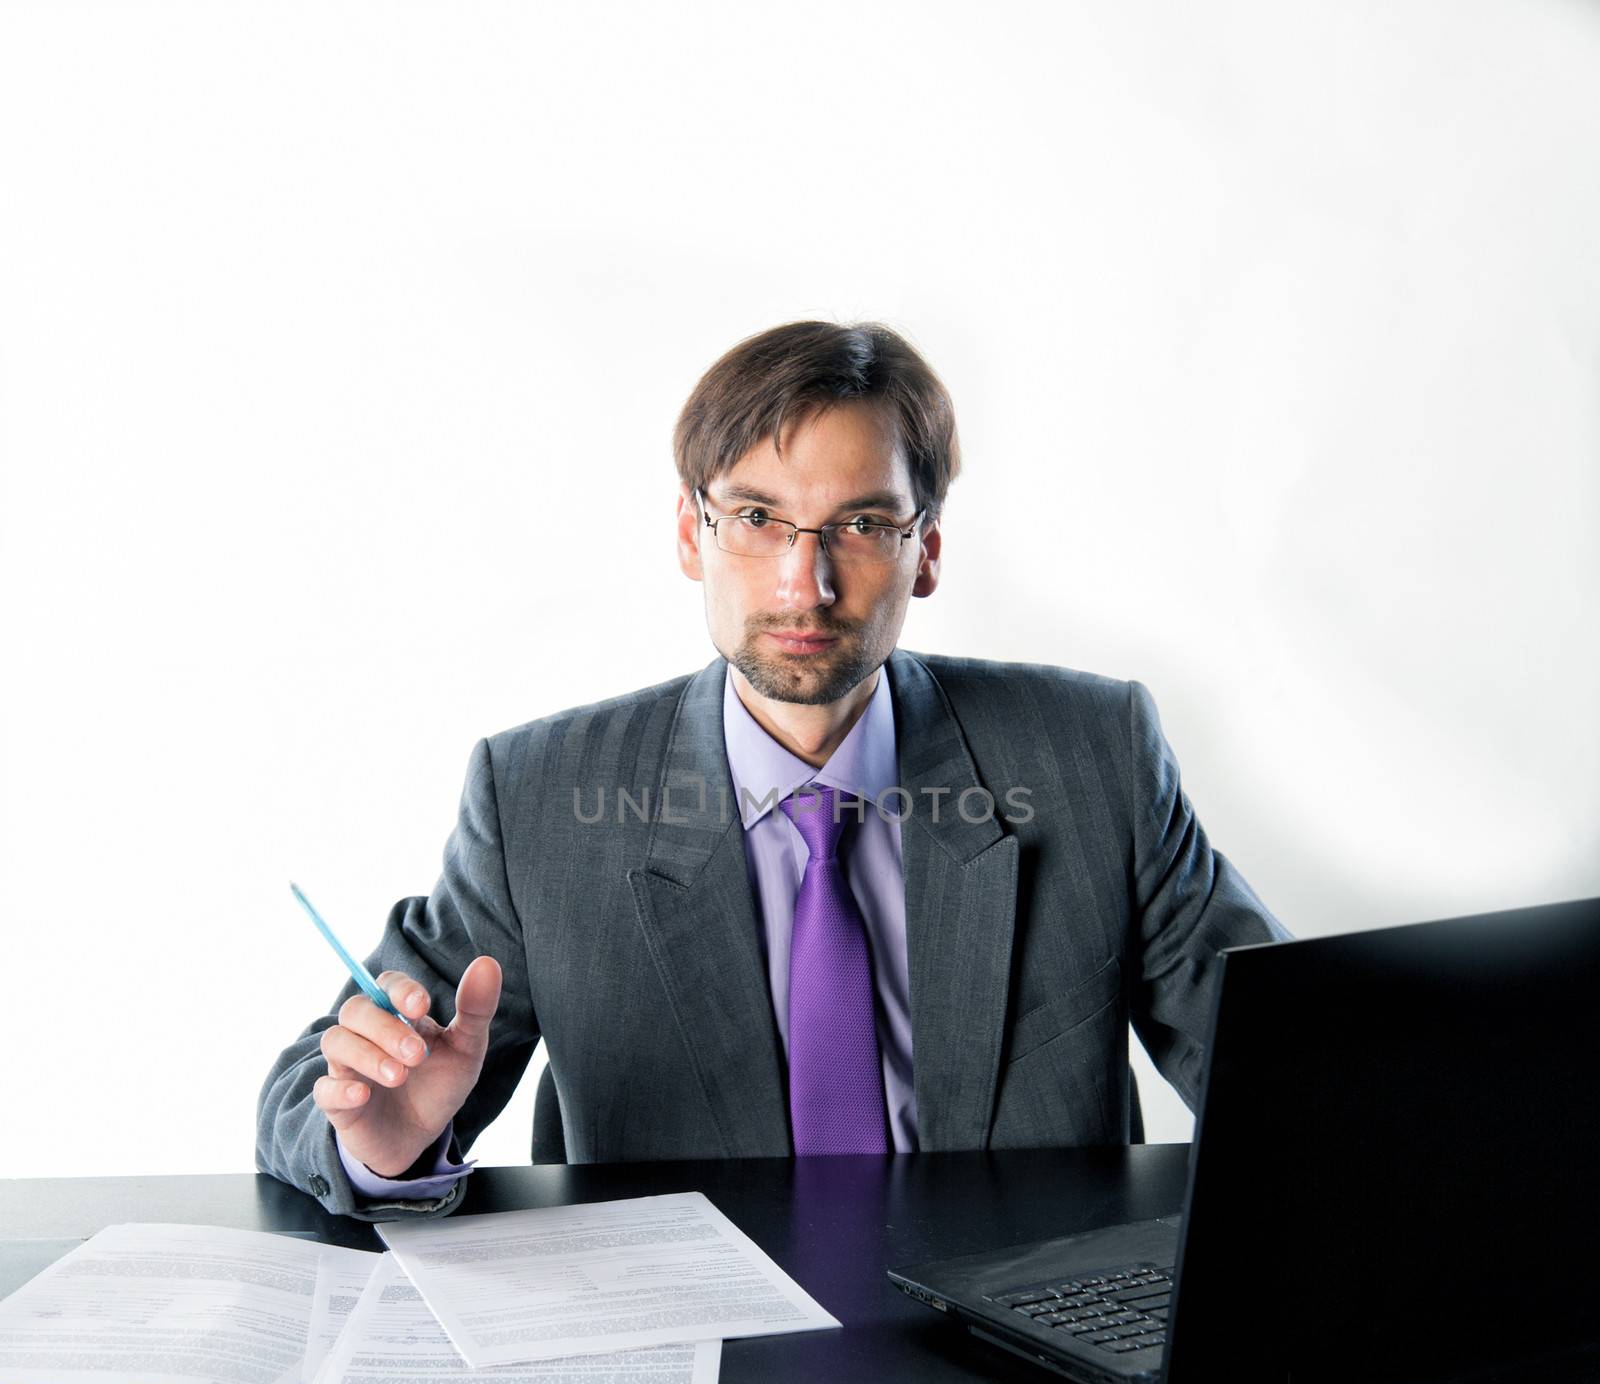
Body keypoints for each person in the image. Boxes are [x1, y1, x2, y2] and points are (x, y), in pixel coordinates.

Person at [257, 320, 1287, 1219]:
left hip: (1027, 1366)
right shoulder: (539, 801)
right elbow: (304, 1099)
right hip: (696, 1378)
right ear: (689, 536)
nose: (808, 579)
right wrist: (378, 1139)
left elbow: (1294, 1070)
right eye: (755, 518)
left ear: (925, 551)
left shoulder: (1088, 754)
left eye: (862, 523)